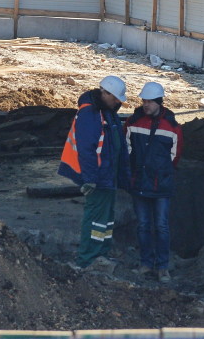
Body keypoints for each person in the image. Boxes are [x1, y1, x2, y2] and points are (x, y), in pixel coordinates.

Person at [58, 74, 129, 274]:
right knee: (95, 217)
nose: (118, 102)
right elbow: (87, 150)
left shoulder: (107, 112)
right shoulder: (91, 114)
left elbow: (117, 147)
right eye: (115, 98)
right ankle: (87, 259)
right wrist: (89, 179)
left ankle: (101, 254)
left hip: (108, 175)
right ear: (105, 93)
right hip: (98, 177)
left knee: (105, 219)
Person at [124, 81, 184, 282]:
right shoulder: (133, 123)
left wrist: (162, 172)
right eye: (143, 100)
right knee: (143, 225)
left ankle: (162, 266)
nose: (145, 104)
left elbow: (175, 156)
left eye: (149, 101)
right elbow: (127, 150)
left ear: (159, 102)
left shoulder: (172, 127)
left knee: (161, 226)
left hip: (161, 185)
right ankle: (146, 263)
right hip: (140, 183)